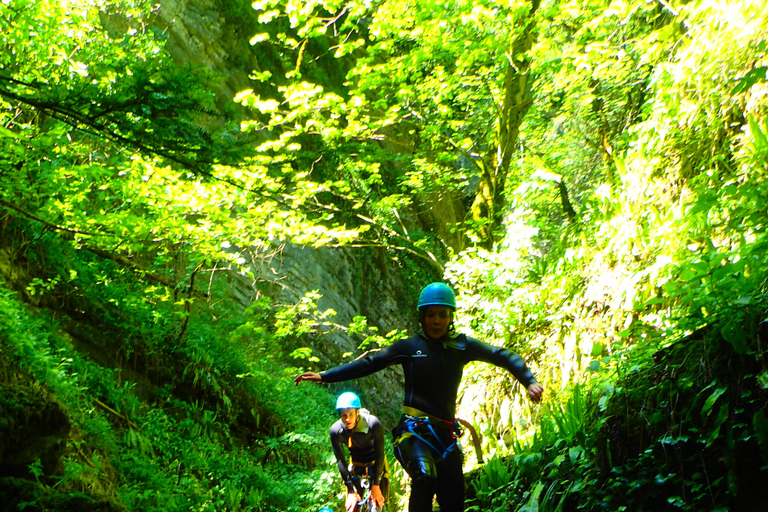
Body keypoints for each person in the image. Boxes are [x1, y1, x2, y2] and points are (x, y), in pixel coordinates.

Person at [296, 282, 544, 512]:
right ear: (422, 317)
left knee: (454, 501)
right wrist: (324, 375)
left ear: (451, 317)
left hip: (446, 437)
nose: (437, 321)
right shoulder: (409, 347)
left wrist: (528, 380)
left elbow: (501, 355)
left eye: (442, 314)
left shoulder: (461, 346)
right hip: (412, 433)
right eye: (430, 314)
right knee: (424, 477)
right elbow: (370, 364)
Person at [330, 391, 388, 512]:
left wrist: (376, 484)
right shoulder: (336, 431)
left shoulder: (373, 424)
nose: (347, 419)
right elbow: (341, 460)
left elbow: (380, 453)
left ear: (358, 412)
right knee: (353, 508)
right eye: (343, 415)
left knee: (376, 507)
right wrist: (350, 490)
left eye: (351, 414)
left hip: (376, 466)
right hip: (356, 467)